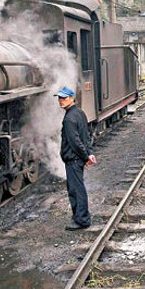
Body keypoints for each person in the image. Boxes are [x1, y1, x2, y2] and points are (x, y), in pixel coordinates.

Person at [56, 86, 97, 230]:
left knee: (76, 190)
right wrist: (89, 153)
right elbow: (86, 136)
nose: (61, 101)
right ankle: (80, 217)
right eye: (59, 98)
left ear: (72, 98)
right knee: (77, 188)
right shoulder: (80, 113)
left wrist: (86, 157)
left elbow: (75, 141)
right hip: (77, 158)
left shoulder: (69, 119)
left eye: (64, 98)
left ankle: (82, 220)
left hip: (73, 159)